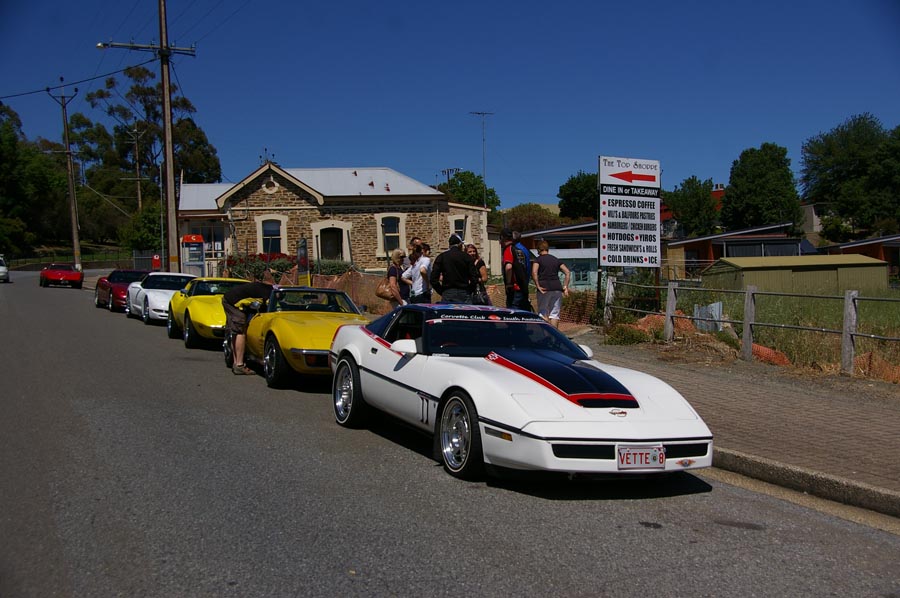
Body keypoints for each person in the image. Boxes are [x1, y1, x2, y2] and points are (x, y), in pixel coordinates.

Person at [222, 273, 274, 375]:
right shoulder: (267, 292)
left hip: (229, 299)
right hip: (232, 302)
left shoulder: (263, 288)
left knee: (236, 331)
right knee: (240, 331)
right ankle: (239, 365)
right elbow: (267, 308)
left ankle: (236, 363)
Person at [531, 240, 571, 328]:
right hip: (557, 287)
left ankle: (545, 332)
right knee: (555, 314)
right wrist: (565, 287)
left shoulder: (538, 260)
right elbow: (567, 272)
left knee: (543, 311)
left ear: (538, 249)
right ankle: (554, 334)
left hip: (544, 288)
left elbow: (534, 272)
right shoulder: (556, 259)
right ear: (547, 249)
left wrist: (537, 285)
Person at [430, 234, 479, 304]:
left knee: (448, 311)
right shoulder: (467, 257)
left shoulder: (442, 257)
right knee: (465, 311)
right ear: (460, 245)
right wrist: (469, 290)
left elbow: (433, 279)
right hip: (464, 292)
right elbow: (474, 277)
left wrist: (442, 291)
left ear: (449, 245)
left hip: (448, 292)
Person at [501, 228, 531, 311]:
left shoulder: (508, 249)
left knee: (513, 312)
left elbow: (509, 267)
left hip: (514, 288)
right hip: (523, 286)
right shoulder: (520, 250)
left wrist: (508, 283)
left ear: (503, 238)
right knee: (523, 312)